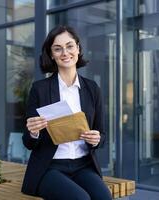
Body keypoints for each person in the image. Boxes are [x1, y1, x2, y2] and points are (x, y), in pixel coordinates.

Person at [21, 25, 112, 200]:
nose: (65, 52)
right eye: (58, 48)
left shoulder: (92, 89)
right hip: (50, 167)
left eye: (69, 46)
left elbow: (102, 135)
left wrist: (96, 139)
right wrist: (33, 132)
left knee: (104, 198)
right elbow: (28, 142)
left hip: (83, 165)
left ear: (78, 48)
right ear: (52, 55)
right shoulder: (39, 89)